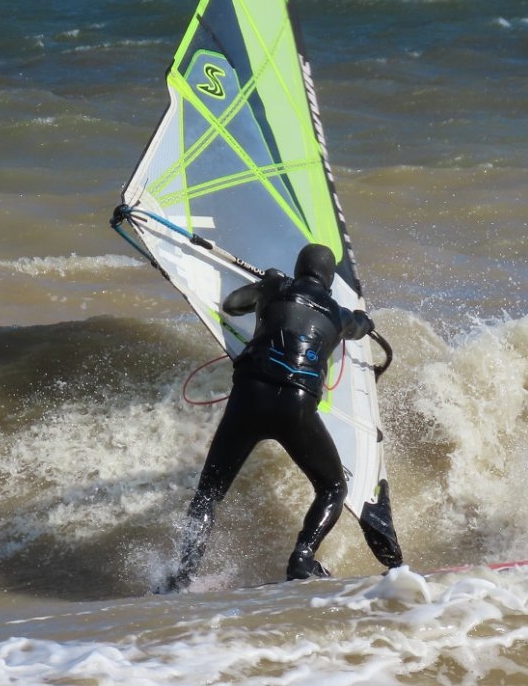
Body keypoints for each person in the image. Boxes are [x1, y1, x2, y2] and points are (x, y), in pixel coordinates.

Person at [160, 242, 395, 591]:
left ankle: (182, 576)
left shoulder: (275, 287)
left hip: (250, 397)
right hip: (296, 406)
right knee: (332, 488)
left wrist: (265, 284)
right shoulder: (338, 314)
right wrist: (364, 319)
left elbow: (230, 305)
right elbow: (361, 326)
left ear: (298, 270)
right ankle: (302, 559)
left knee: (208, 494)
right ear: (328, 282)